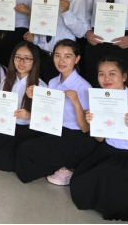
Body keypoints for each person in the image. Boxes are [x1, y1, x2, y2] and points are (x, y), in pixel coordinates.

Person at [70, 57, 128, 223]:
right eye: (101, 74)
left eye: (112, 73)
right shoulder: (100, 101)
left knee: (108, 182)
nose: (106, 78)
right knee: (80, 182)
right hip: (108, 150)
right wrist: (93, 123)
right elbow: (100, 139)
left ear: (124, 77)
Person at [16, 40, 97, 185]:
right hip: (54, 129)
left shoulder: (84, 87)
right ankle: (62, 166)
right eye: (57, 55)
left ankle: (68, 168)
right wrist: (35, 96)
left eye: (67, 56)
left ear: (77, 59)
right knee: (22, 143)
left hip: (75, 135)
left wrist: (77, 104)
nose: (61, 60)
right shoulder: (53, 82)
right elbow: (48, 111)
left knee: (26, 150)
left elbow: (85, 128)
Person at [0, 42, 47, 172]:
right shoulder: (7, 80)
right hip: (5, 125)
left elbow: (46, 120)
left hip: (24, 129)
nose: (21, 62)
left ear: (34, 61)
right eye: (18, 57)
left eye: (27, 58)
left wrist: (29, 115)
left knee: (1, 160)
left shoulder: (40, 86)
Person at [23, 0, 88, 84]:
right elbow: (43, 34)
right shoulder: (42, 1)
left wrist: (67, 12)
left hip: (62, 61)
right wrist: (34, 38)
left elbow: (81, 32)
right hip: (41, 57)